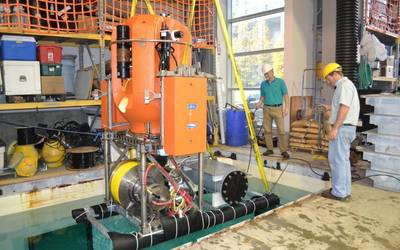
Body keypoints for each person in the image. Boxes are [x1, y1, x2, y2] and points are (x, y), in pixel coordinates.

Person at [321, 62, 360, 201]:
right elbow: (341, 108)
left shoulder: (344, 85)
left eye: (328, 78)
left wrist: (335, 128)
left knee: (337, 160)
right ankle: (344, 190)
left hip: (342, 128)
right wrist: (330, 108)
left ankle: (338, 192)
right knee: (342, 160)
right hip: (346, 128)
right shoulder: (344, 86)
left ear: (335, 74)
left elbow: (344, 108)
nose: (327, 81)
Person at [255, 64, 290, 159]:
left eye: (267, 73)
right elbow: (263, 96)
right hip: (266, 109)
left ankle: (283, 151)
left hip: (278, 108)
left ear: (272, 71)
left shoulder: (280, 82)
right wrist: (259, 103)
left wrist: (286, 108)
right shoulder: (263, 84)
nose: (266, 75)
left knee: (281, 131)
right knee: (267, 130)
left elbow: (286, 96)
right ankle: (270, 149)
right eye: (264, 74)